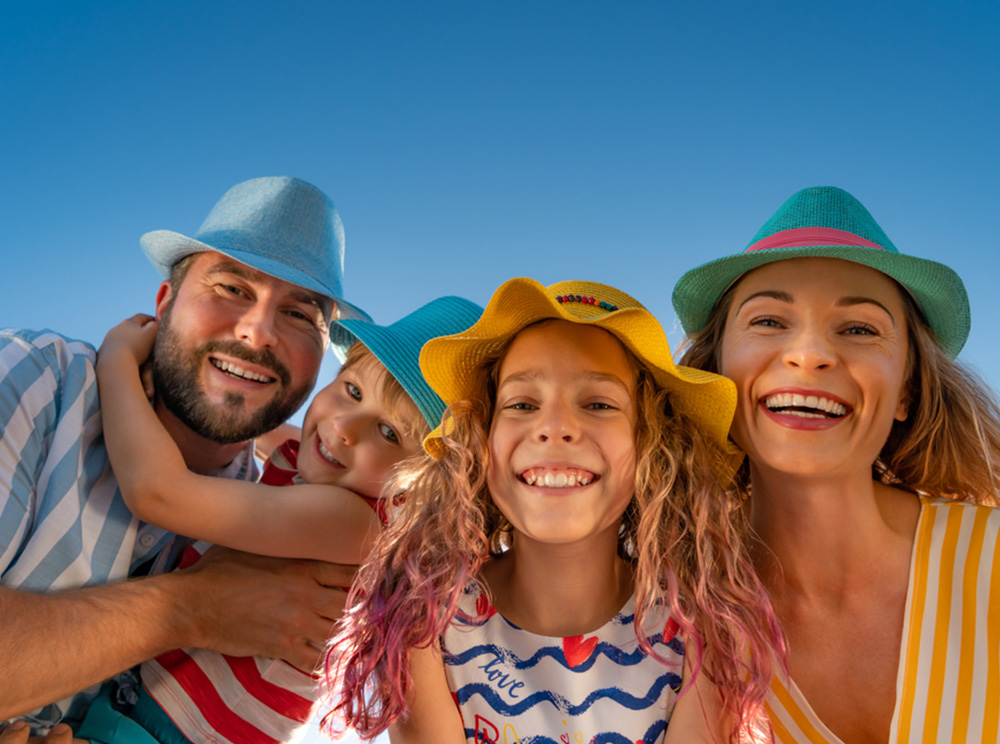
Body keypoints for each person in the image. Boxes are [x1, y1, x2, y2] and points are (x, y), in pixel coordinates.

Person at [324, 278, 784, 744]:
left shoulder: (700, 632)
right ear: (481, 440)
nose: (555, 427)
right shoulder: (426, 624)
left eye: (599, 404)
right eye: (522, 404)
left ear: (653, 446)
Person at [0, 177, 366, 734]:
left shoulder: (278, 519)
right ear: (165, 304)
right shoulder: (29, 379)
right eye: (232, 288)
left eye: (300, 315)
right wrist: (193, 607)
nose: (258, 332)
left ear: (320, 358)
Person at [70, 295, 482, 744]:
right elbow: (251, 421)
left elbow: (157, 492)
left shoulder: (352, 521)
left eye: (389, 433)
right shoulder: (330, 472)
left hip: (176, 733)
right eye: (352, 390)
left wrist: (119, 361)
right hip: (142, 710)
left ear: (422, 484)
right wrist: (180, 373)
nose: (345, 427)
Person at [673, 186, 1000, 742]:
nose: (810, 353)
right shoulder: (674, 607)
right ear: (716, 374)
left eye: (859, 329)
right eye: (769, 321)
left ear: (907, 389)